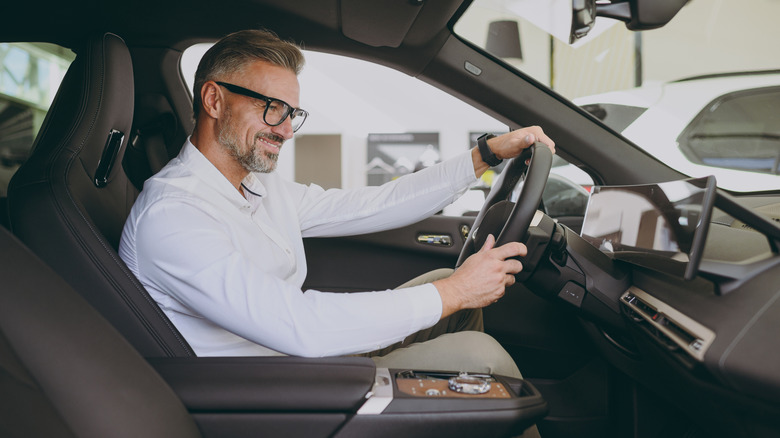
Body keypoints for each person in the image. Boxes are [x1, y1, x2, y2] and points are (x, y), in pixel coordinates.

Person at [119, 29, 555, 379]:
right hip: (274, 395)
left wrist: (484, 156)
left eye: (292, 113)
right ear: (214, 100)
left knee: (448, 285)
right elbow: (299, 325)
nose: (286, 130)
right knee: (479, 354)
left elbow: (376, 204)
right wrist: (454, 292)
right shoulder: (173, 216)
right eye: (272, 108)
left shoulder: (257, 188)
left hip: (302, 362)